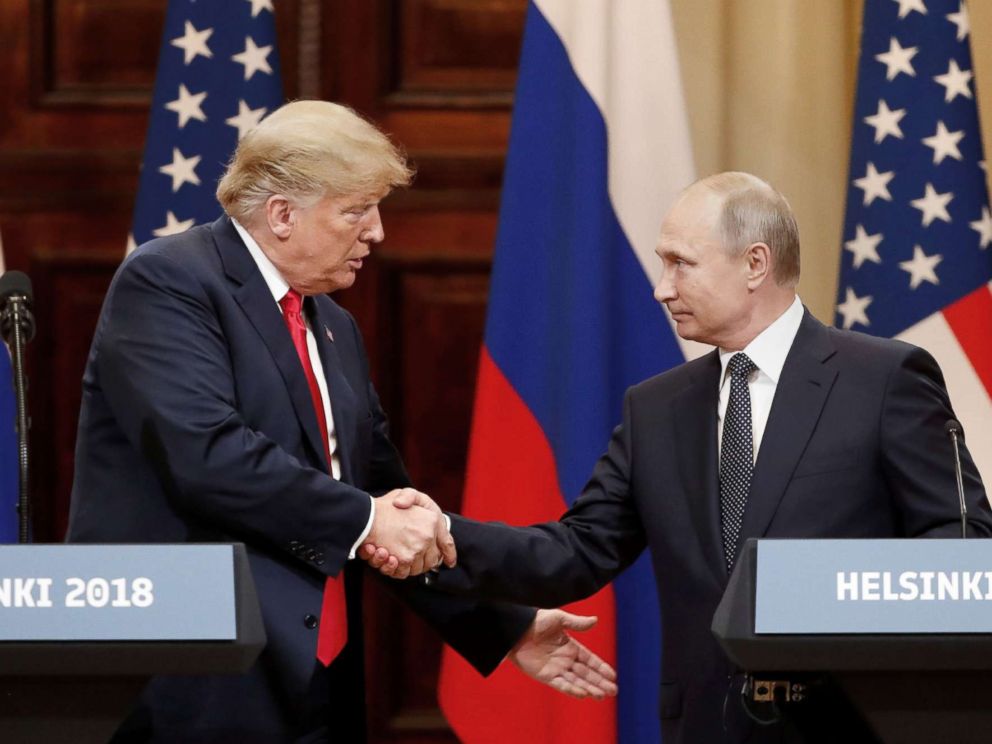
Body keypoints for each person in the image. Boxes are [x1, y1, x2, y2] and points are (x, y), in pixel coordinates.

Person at [366, 171, 992, 743]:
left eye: (681, 265)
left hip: (855, 725)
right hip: (706, 728)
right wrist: (442, 533)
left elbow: (959, 548)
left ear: (755, 263)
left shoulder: (883, 378)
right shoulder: (657, 409)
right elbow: (573, 553)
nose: (663, 289)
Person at [66, 100, 616, 743]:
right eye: (357, 210)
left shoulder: (332, 325)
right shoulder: (169, 282)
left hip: (317, 677)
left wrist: (504, 624)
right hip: (197, 679)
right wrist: (371, 518)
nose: (377, 232)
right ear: (281, 215)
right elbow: (208, 458)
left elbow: (384, 506)